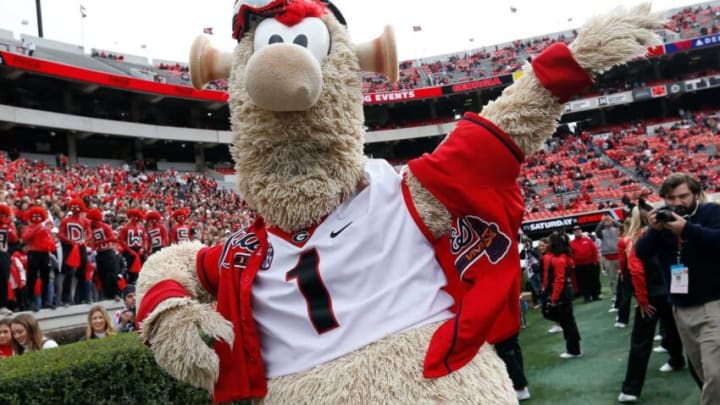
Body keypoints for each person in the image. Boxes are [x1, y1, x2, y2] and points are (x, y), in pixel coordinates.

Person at [636, 173, 720, 405]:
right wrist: (654, 229)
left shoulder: (711, 212)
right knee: (702, 372)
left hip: (714, 304)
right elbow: (641, 252)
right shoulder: (662, 222)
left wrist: (687, 229)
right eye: (671, 198)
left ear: (695, 194)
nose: (677, 203)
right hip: (681, 309)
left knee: (717, 375)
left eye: (683, 196)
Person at [618, 207, 685, 403]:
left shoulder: (635, 239)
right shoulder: (674, 231)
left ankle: (631, 388)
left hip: (652, 294)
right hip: (670, 290)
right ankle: (677, 360)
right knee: (672, 328)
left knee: (641, 341)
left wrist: (642, 300)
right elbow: (679, 262)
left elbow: (636, 271)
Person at [542, 232, 582, 358]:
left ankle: (574, 350)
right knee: (568, 322)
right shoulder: (564, 257)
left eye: (549, 242)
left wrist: (554, 298)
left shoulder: (558, 259)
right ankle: (574, 348)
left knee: (568, 322)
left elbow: (559, 280)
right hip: (565, 292)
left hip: (562, 294)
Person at [20, 206, 56, 311]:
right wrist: (36, 229)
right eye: (34, 216)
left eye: (39, 216)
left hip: (44, 254)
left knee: (45, 278)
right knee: (32, 278)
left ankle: (45, 301)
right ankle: (31, 302)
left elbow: (49, 240)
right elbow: (25, 238)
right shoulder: (28, 228)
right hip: (34, 254)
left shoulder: (44, 228)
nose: (36, 218)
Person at [595, 214, 621, 308]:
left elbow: (621, 226)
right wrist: (603, 221)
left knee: (623, 276)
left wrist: (613, 220)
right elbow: (597, 231)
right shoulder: (602, 232)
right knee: (612, 278)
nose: (607, 222)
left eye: (608, 221)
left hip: (618, 255)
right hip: (608, 257)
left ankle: (625, 292)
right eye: (606, 221)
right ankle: (615, 293)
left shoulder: (616, 230)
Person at [495, 333, 530, 401]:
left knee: (506, 354)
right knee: (514, 348)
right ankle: (521, 384)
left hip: (499, 328)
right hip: (510, 325)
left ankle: (520, 388)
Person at [570, 226, 601, 302]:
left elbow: (594, 250)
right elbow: (571, 254)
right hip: (579, 265)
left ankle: (595, 295)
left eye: (578, 230)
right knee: (583, 281)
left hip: (590, 263)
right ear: (573, 232)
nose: (577, 232)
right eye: (575, 231)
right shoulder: (572, 243)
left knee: (593, 279)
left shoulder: (588, 240)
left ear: (581, 231)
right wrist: (573, 264)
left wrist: (596, 261)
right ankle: (586, 296)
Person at [0, 203, 18, 316]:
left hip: (3, 255)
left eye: (3, 214)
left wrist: (10, 225)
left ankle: (2, 305)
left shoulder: (8, 226)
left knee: (3, 280)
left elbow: (14, 238)